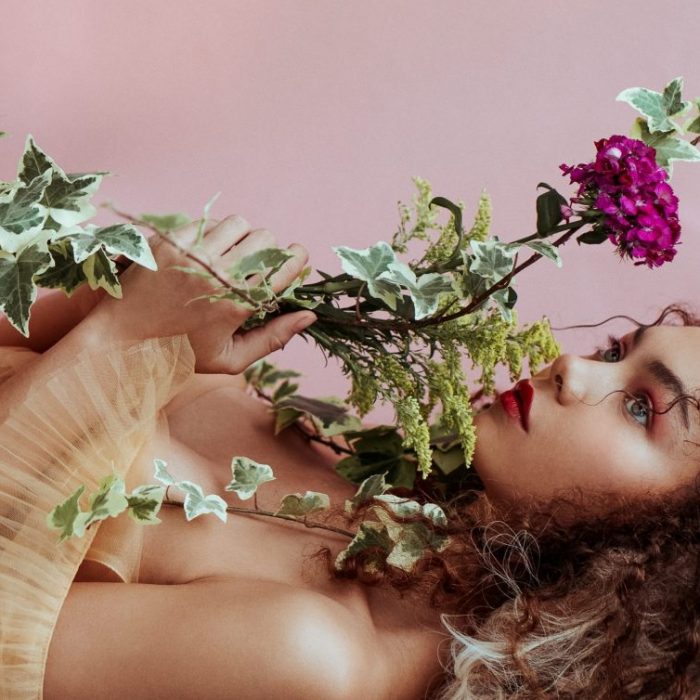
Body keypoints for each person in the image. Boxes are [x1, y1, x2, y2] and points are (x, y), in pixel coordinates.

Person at [0, 215, 698, 699]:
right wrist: (132, 303)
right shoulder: (349, 477)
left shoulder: (315, 657)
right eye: (615, 350)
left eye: (642, 408)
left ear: (672, 556)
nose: (573, 368)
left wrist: (126, 331)